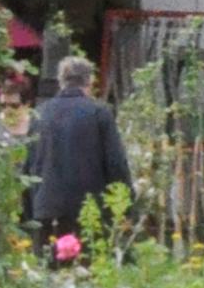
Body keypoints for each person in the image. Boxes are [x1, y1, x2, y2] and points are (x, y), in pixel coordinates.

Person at [27, 50, 132, 252]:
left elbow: (29, 164)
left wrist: (29, 210)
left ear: (61, 82)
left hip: (46, 207)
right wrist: (125, 206)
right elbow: (116, 163)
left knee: (49, 266)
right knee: (86, 266)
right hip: (88, 210)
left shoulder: (40, 114)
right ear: (89, 81)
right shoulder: (99, 113)